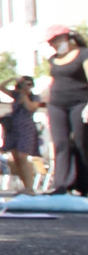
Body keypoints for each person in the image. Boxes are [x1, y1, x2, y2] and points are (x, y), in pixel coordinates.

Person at [38, 25, 88, 195]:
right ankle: (62, 185)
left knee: (82, 142)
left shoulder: (83, 54)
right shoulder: (53, 60)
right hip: (57, 104)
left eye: (55, 41)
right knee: (61, 144)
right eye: (51, 43)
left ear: (67, 38)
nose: (53, 45)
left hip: (80, 103)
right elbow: (53, 82)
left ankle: (83, 184)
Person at [0, 75, 43, 194]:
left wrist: (24, 94)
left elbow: (31, 107)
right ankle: (25, 185)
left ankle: (30, 187)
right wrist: (12, 78)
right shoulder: (15, 95)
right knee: (16, 158)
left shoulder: (34, 97)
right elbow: (0, 87)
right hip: (14, 127)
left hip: (26, 127)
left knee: (23, 156)